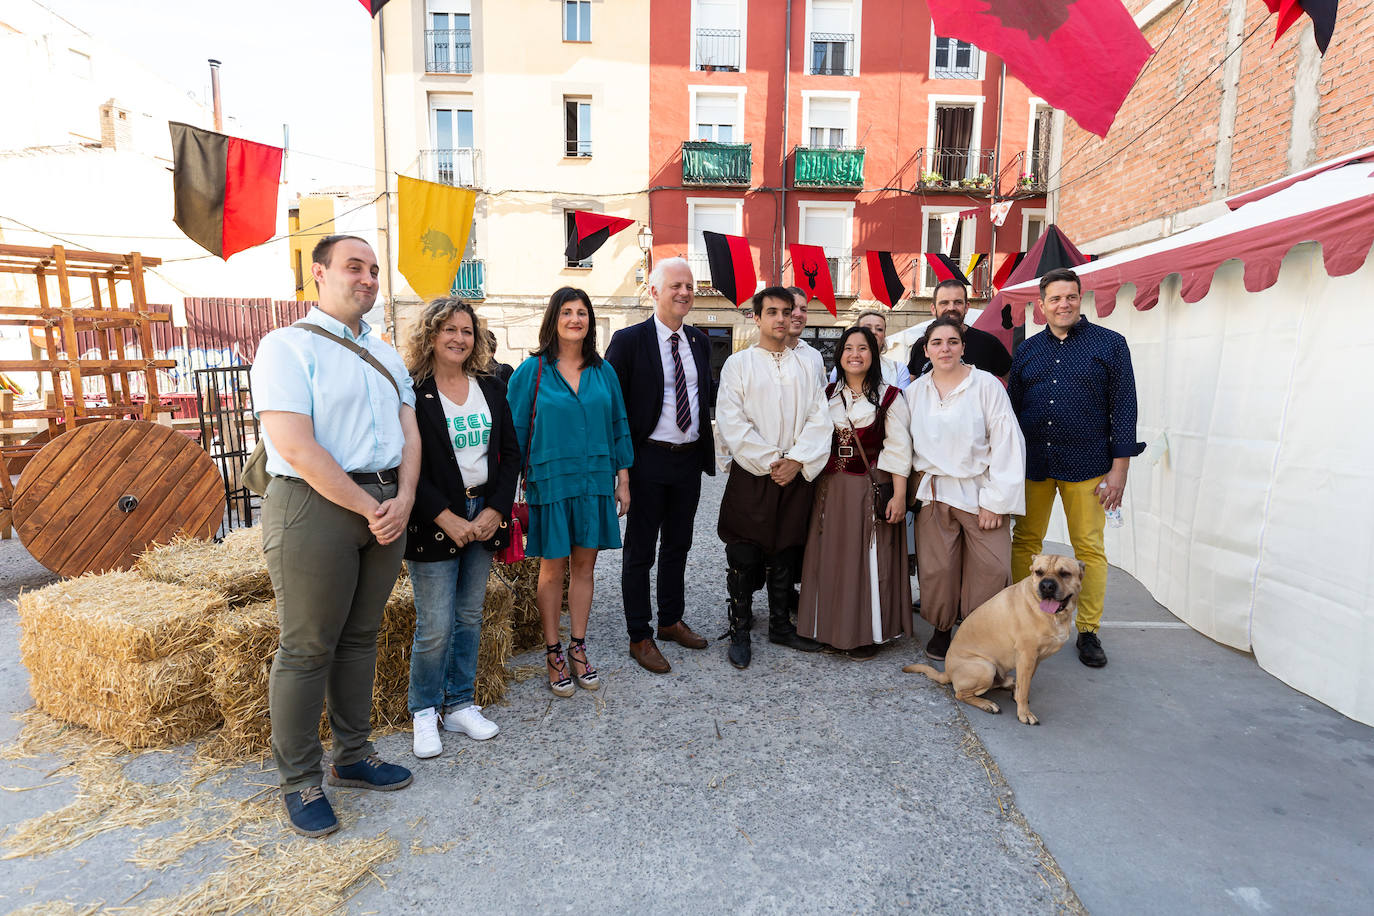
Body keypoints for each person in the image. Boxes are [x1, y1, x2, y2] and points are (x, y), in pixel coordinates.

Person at [252, 235, 419, 838]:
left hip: (384, 503)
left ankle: (353, 755)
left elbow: (410, 430)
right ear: (318, 274)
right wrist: (370, 507)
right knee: (306, 646)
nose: (368, 279)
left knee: (359, 638)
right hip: (315, 505)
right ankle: (299, 781)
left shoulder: (385, 352)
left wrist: (402, 498)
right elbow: (294, 443)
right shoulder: (285, 347)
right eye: (355, 268)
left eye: (375, 270)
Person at [1008, 267, 1145, 668]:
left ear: (1080, 298)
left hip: (1089, 465)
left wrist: (1119, 470)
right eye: (1055, 298)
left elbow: (1124, 410)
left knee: (1088, 548)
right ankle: (1026, 615)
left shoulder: (1111, 345)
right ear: (1041, 305)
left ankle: (1087, 631)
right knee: (1025, 542)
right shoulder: (1028, 351)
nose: (1063, 304)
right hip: (1035, 462)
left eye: (1070, 297)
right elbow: (1012, 412)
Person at [402, 298, 519, 759]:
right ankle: (424, 711)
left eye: (466, 331)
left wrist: (495, 508)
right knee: (435, 624)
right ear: (430, 335)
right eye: (448, 329)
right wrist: (443, 516)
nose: (458, 338)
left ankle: (459, 703)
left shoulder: (490, 386)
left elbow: (509, 454)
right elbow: (406, 460)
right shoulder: (413, 391)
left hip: (483, 513)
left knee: (470, 616)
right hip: (435, 520)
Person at [507, 287, 633, 696]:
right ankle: (553, 651)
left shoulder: (604, 371)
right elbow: (515, 432)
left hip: (595, 479)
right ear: (553, 319)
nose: (575, 319)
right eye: (567, 312)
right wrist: (507, 487)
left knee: (585, 568)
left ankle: (578, 647)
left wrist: (624, 480)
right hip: (551, 481)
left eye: (582, 312)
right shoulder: (533, 371)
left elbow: (619, 425)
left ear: (590, 321)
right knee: (551, 569)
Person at [605, 257, 715, 674]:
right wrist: (622, 473)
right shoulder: (628, 341)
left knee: (678, 546)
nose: (685, 293)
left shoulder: (700, 342)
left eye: (689, 286)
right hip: (647, 459)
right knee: (639, 552)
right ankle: (640, 634)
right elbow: (614, 410)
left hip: (687, 461)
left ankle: (670, 620)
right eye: (676, 286)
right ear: (654, 292)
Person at [715, 286, 832, 669]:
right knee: (744, 551)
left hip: (794, 472)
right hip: (754, 472)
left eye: (786, 311)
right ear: (757, 317)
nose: (781, 319)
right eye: (772, 312)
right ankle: (740, 628)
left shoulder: (806, 364)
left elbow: (820, 417)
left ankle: (780, 625)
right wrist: (772, 461)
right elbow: (732, 421)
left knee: (786, 548)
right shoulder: (739, 364)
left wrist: (797, 460)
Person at [907, 317, 1027, 661]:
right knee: (938, 568)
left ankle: (979, 634)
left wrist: (997, 501)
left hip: (980, 493)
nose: (945, 348)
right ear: (926, 349)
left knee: (991, 568)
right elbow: (904, 444)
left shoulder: (986, 385)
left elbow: (1007, 442)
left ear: (963, 346)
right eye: (937, 343)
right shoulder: (915, 393)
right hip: (934, 493)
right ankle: (942, 630)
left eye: (952, 342)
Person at [798, 326, 913, 659]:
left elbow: (898, 449)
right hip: (830, 489)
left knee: (867, 559)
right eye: (848, 348)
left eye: (863, 348)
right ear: (840, 355)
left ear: (873, 355)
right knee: (830, 556)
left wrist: (900, 496)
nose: (855, 354)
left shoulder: (890, 396)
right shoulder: (826, 394)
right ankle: (828, 627)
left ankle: (865, 632)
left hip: (867, 488)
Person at [908, 279, 1012, 379]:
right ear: (933, 309)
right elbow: (910, 385)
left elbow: (1014, 383)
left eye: (958, 302)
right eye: (944, 303)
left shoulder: (988, 343)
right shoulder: (921, 345)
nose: (951, 308)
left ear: (966, 307)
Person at [827, 309, 912, 389]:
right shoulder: (840, 369)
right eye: (867, 329)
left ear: (884, 336)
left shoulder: (899, 370)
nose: (873, 332)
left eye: (879, 329)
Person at [785, 286, 827, 389]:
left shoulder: (815, 356)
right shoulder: (757, 358)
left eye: (803, 309)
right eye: (792, 308)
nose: (798, 314)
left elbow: (821, 397)